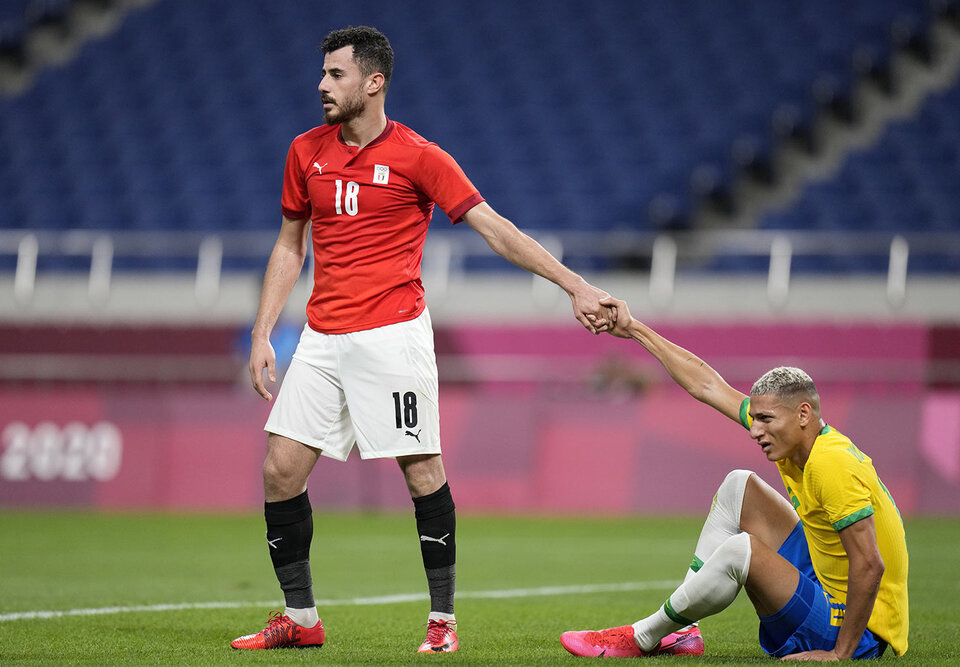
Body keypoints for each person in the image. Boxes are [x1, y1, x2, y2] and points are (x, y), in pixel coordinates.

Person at [230, 26, 614, 654]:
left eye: (336, 75)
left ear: (373, 82)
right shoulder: (305, 151)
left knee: (422, 471)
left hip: (392, 335)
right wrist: (263, 330)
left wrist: (574, 285)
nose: (322, 85)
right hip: (323, 336)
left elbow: (494, 227)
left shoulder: (419, 156)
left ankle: (442, 623)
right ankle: (300, 621)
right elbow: (289, 244)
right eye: (323, 74)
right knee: (280, 471)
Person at [560, 296, 908, 660]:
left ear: (803, 414)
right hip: (825, 585)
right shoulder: (802, 443)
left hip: (859, 629)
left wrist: (840, 654)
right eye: (754, 418)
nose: (755, 430)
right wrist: (634, 330)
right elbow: (707, 385)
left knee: (741, 550)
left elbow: (871, 564)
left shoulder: (830, 463)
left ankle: (643, 636)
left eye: (766, 420)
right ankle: (683, 632)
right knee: (738, 486)